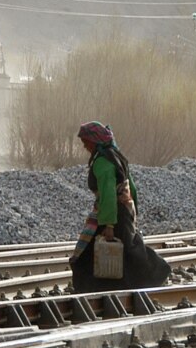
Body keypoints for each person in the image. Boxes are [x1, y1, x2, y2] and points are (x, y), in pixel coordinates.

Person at [68, 121, 171, 293]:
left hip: (112, 213)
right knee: (126, 250)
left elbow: (108, 192)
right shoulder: (115, 156)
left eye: (85, 141)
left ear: (95, 141)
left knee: (89, 253)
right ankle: (108, 288)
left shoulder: (102, 161)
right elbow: (131, 186)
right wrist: (132, 211)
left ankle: (157, 271)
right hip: (122, 212)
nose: (84, 145)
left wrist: (109, 224)